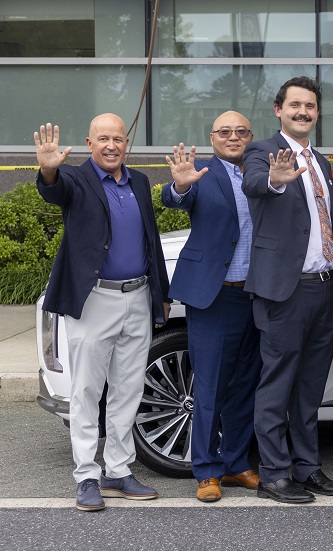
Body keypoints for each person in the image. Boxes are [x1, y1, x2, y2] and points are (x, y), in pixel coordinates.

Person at [34, 114, 171, 511]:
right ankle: (86, 476)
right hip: (95, 300)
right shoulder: (75, 179)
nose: (111, 145)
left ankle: (118, 470)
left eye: (118, 138)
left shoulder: (139, 182)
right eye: (103, 139)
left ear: (126, 143)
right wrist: (47, 167)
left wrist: (159, 292)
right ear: (89, 143)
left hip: (138, 297)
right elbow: (52, 189)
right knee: (88, 391)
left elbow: (151, 240)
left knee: (128, 390)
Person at [242, 76, 333, 504]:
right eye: (295, 105)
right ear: (278, 110)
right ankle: (274, 474)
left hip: (324, 290)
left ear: (317, 113)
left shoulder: (321, 161)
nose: (303, 112)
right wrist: (276, 179)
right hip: (284, 292)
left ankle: (307, 468)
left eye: (310, 106)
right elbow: (254, 184)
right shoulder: (262, 152)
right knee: (276, 386)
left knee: (310, 389)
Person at [162, 111, 262, 502]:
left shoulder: (262, 173)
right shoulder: (199, 172)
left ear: (250, 137)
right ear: (213, 137)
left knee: (244, 385)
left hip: (256, 295)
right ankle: (205, 470)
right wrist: (180, 186)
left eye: (240, 132)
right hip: (215, 295)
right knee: (210, 386)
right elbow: (175, 198)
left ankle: (236, 463)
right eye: (225, 132)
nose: (233, 137)